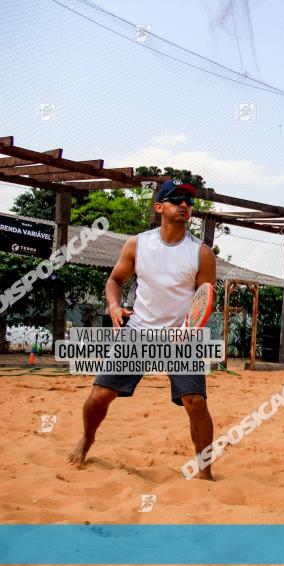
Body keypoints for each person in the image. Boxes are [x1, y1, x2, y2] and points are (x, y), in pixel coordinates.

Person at [67, 179, 217, 480]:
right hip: (138, 330)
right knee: (99, 396)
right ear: (159, 207)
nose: (184, 205)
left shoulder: (201, 253)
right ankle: (87, 439)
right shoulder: (138, 244)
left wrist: (189, 329)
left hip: (180, 335)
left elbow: (205, 297)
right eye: (175, 199)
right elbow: (114, 281)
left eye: (188, 201)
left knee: (195, 402)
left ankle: (206, 472)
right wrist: (113, 306)